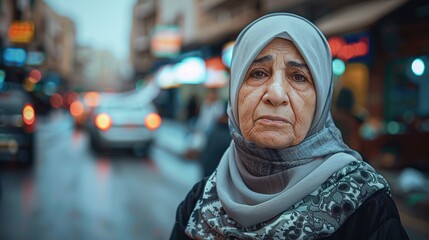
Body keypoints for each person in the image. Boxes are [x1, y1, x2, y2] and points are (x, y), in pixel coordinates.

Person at [170, 13, 409, 239]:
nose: (276, 94)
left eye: (298, 77)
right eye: (258, 73)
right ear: (234, 92)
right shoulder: (199, 203)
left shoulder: (367, 208)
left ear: (321, 100)